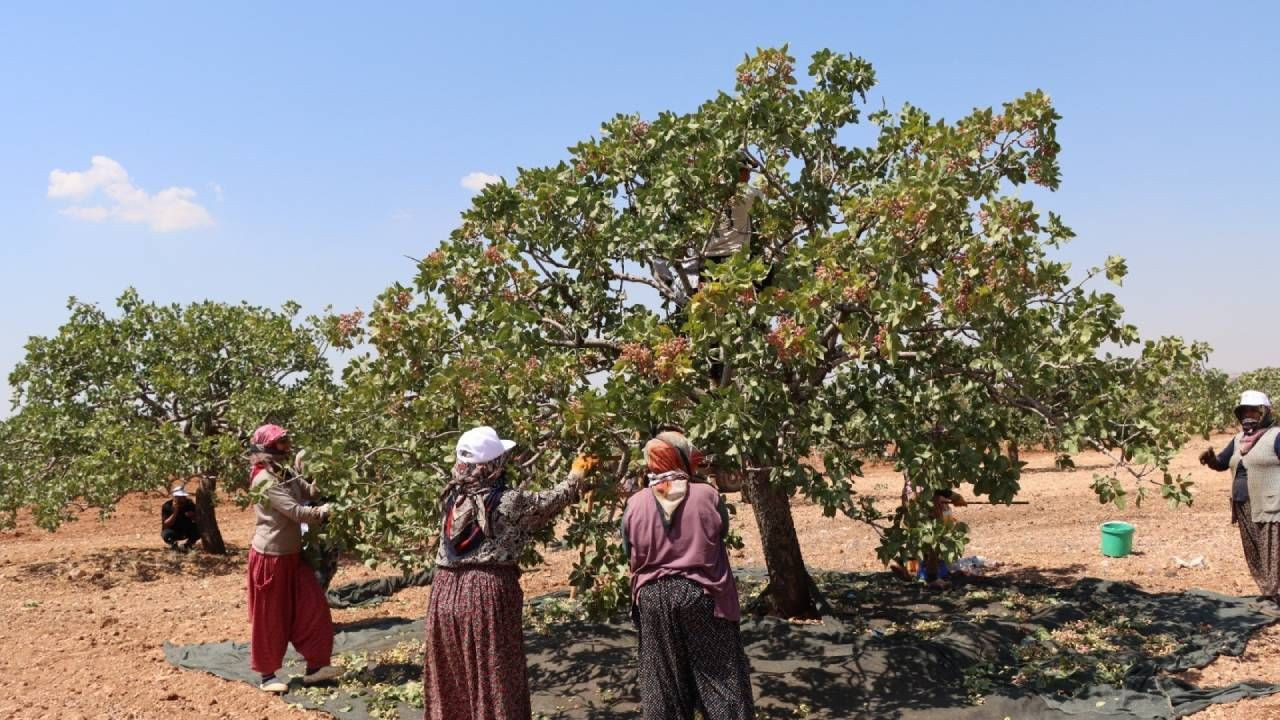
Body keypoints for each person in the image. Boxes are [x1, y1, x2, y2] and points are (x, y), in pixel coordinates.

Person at [422, 426, 599, 720]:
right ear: (492, 465)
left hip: (443, 591)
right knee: (495, 675)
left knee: (453, 675)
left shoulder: (451, 498)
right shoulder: (507, 501)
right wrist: (576, 477)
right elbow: (547, 503)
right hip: (485, 593)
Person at [621, 429, 754, 720]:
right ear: (681, 458)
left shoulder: (634, 504)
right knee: (721, 683)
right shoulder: (708, 496)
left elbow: (628, 550)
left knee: (663, 686)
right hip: (702, 596)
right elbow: (722, 533)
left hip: (653, 600)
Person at [246, 423, 341, 693]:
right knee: (270, 616)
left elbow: (310, 493)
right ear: (267, 447)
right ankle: (267, 675)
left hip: (294, 556)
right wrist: (327, 511)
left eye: (287, 442)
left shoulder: (283, 471)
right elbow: (298, 512)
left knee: (314, 607)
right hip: (271, 558)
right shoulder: (264, 479)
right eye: (281, 443)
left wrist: (321, 472)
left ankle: (316, 667)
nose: (287, 447)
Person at [1200, 390, 1280, 603]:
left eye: (1253, 412)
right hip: (1242, 503)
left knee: (1271, 551)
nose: (1248, 416)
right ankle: (1268, 593)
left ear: (1264, 413)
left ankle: (1273, 593)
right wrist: (1210, 460)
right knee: (1252, 550)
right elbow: (1222, 463)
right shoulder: (1238, 440)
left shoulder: (1275, 436)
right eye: (1244, 412)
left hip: (1270, 504)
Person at [161, 486, 199, 552]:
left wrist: (193, 516)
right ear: (174, 497)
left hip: (186, 529)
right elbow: (166, 524)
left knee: (200, 529)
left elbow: (198, 520)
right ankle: (174, 546)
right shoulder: (167, 506)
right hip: (173, 531)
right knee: (166, 534)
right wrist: (175, 512)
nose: (181, 499)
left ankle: (188, 545)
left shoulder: (189, 504)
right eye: (179, 497)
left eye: (183, 497)